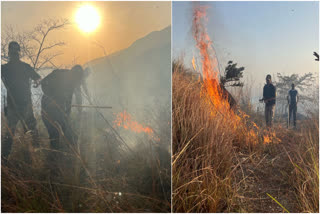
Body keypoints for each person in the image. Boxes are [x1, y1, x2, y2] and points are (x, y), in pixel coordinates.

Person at [1, 41, 41, 160]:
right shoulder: (5, 68)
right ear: (10, 53)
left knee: (30, 132)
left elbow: (38, 78)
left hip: (24, 105)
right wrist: (36, 82)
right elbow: (38, 78)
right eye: (13, 52)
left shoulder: (22, 67)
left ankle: (35, 157)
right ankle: (5, 159)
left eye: (15, 51)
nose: (14, 54)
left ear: (17, 52)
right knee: (12, 133)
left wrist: (36, 83)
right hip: (15, 105)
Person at [41, 65, 84, 151]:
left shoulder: (73, 82)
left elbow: (68, 100)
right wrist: (51, 97)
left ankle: (72, 154)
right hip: (48, 107)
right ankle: (55, 157)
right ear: (72, 73)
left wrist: (67, 114)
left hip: (59, 108)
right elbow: (43, 82)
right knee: (55, 134)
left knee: (68, 131)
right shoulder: (59, 74)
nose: (76, 81)